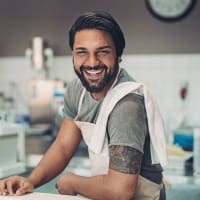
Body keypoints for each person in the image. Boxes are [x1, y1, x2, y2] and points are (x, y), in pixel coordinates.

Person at [0, 11, 167, 200]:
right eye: (82, 52)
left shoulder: (127, 105)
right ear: (73, 55)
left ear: (118, 55)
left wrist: (73, 182)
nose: (92, 63)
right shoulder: (77, 90)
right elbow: (63, 146)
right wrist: (30, 181)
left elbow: (120, 191)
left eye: (102, 52)